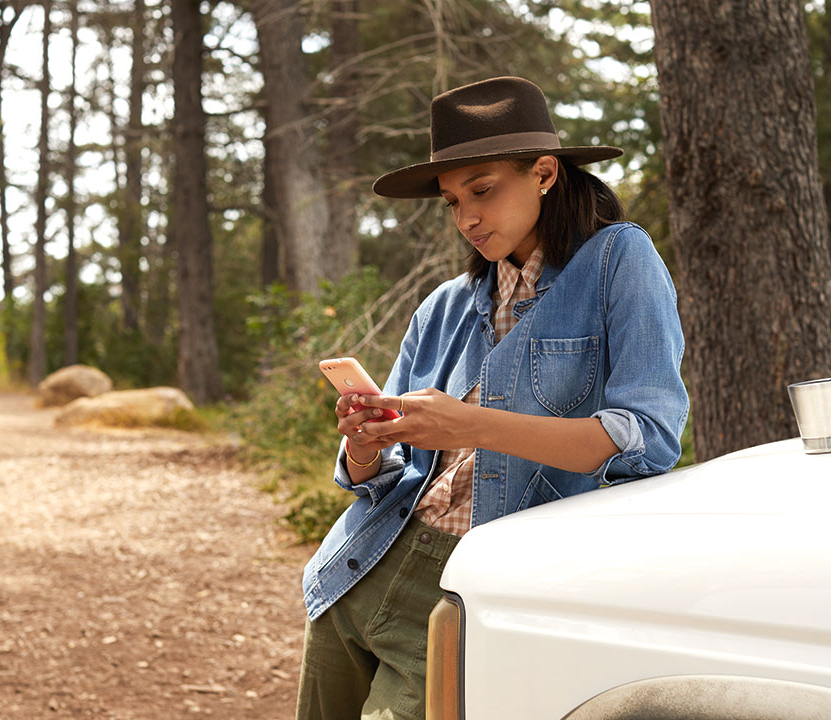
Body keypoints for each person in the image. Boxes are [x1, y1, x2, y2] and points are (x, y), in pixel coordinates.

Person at [295, 76, 689, 720]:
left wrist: (468, 425)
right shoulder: (445, 306)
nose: (467, 217)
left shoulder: (620, 259)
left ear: (542, 173)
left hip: (472, 586)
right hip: (358, 570)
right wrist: (366, 442)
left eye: (482, 189)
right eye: (452, 202)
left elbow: (645, 440)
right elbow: (383, 476)